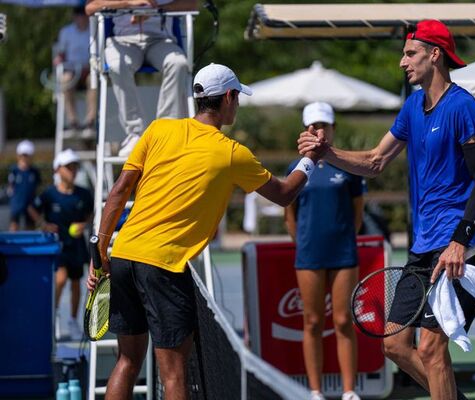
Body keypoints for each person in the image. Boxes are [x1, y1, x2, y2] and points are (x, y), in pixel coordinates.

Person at [86, 63, 324, 398]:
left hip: (123, 254)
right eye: (237, 97)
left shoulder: (158, 130)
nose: (238, 104)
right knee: (174, 376)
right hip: (163, 267)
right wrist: (310, 160)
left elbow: (119, 190)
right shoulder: (231, 153)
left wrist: (100, 252)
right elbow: (285, 194)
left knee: (127, 360)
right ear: (228, 97)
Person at [298, 20, 475, 400]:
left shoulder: (463, 107)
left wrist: (460, 241)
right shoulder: (411, 107)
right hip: (421, 250)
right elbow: (374, 160)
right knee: (395, 345)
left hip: (456, 250)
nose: (402, 62)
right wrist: (327, 153)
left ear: (434, 55)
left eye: (410, 54)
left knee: (432, 350)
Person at [284, 102, 364, 400]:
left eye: (323, 125)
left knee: (343, 320)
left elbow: (357, 214)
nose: (317, 130)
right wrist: (303, 242)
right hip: (309, 256)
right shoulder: (295, 167)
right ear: (305, 129)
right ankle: (315, 392)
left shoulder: (349, 167)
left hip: (344, 255)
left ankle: (349, 391)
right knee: (313, 321)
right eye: (313, 125)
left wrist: (343, 240)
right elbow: (289, 214)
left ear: (332, 129)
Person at [85, 0, 197, 156]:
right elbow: (91, 7)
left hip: (160, 40)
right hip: (123, 41)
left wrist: (157, 9)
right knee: (118, 66)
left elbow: (191, 5)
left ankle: (163, 133)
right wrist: (129, 4)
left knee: (178, 64)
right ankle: (135, 134)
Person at [29, 149, 94, 340]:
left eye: (74, 167)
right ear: (58, 170)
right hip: (57, 246)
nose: (72, 171)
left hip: (76, 245)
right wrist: (43, 225)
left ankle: (72, 321)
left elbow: (92, 214)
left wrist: (85, 224)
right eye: (68, 167)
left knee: (76, 284)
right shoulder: (49, 194)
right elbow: (32, 208)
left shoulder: (83, 194)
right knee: (60, 278)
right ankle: (54, 316)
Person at [53, 6, 97, 137]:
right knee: (65, 80)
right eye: (78, 15)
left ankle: (90, 121)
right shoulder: (66, 32)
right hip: (71, 70)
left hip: (89, 70)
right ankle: (73, 121)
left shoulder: (94, 30)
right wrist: (58, 60)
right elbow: (61, 54)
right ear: (74, 17)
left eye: (83, 15)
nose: (81, 19)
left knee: (93, 81)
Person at [7, 140, 41, 231]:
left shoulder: (34, 171)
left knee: (30, 227)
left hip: (30, 204)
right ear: (18, 156)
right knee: (14, 225)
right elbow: (10, 186)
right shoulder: (14, 170)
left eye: (27, 155)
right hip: (17, 203)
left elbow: (37, 187)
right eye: (23, 155)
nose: (25, 158)